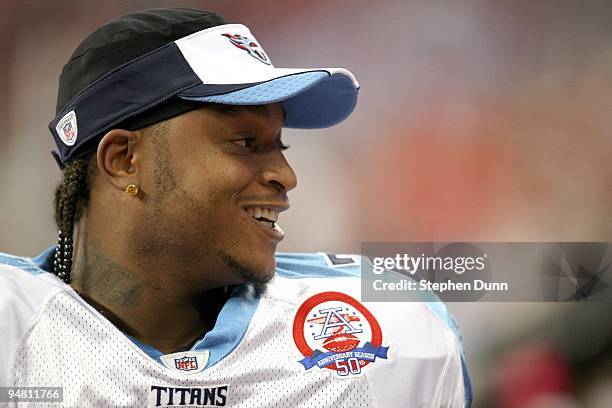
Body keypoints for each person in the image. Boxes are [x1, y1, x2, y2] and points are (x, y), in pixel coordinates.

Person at [0, 8, 471, 407]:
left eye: (279, 143)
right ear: (124, 160)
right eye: (246, 141)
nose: (287, 177)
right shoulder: (13, 324)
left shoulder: (388, 333)